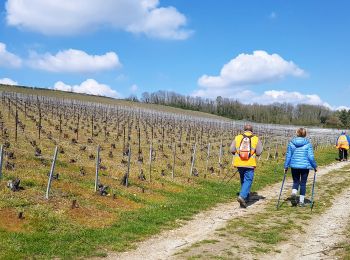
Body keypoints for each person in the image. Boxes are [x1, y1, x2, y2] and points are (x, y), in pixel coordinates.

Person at [230, 124, 263, 208]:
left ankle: (246, 197)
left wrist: (238, 154)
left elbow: (232, 150)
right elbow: (259, 152)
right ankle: (242, 196)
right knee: (248, 180)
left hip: (239, 163)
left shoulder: (237, 137)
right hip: (250, 163)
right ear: (252, 130)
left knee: (243, 179)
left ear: (244, 130)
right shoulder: (256, 138)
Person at [284, 128, 317, 207]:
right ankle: (301, 202)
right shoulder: (308, 144)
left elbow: (288, 155)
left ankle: (294, 193)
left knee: (296, 182)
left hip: (294, 166)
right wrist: (314, 166)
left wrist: (286, 166)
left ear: (297, 133)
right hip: (305, 167)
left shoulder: (291, 143)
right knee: (303, 183)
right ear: (305, 134)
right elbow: (310, 157)